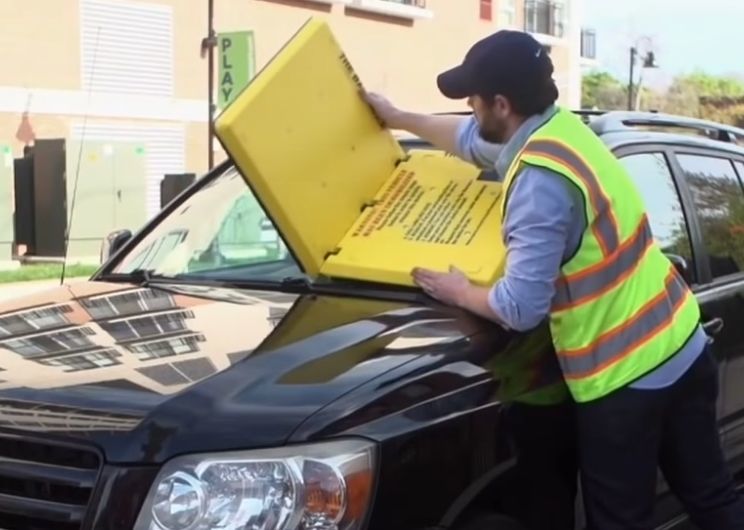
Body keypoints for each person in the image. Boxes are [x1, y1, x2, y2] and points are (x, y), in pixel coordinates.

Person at [363, 29, 744, 530]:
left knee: (619, 521)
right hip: (682, 345)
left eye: (473, 102)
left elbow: (521, 307)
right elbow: (465, 140)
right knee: (712, 497)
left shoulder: (540, 183)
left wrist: (458, 289)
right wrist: (395, 117)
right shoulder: (561, 133)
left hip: (626, 378)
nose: (470, 112)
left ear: (501, 104)